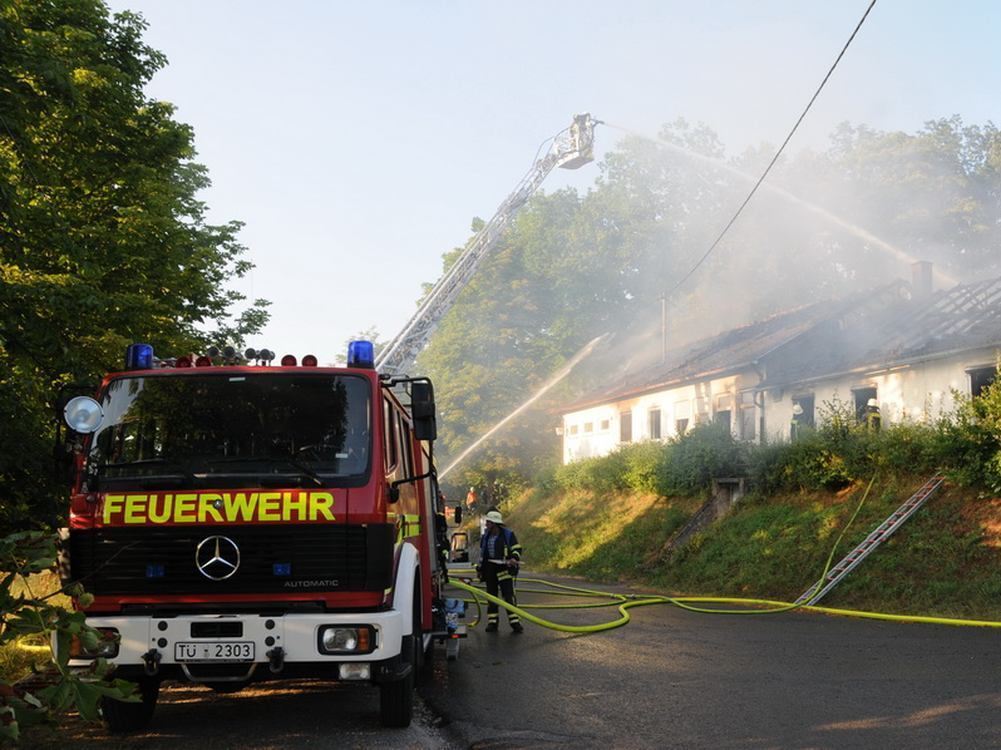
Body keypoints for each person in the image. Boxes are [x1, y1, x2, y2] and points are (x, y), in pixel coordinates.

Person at [476, 510, 523, 633]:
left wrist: (514, 558)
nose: (486, 525)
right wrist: (480, 569)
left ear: (495, 524)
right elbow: (482, 555)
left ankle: (515, 622)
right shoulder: (486, 537)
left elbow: (517, 548)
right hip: (490, 570)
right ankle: (492, 622)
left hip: (504, 569)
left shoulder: (507, 535)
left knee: (508, 596)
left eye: (489, 522)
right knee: (491, 597)